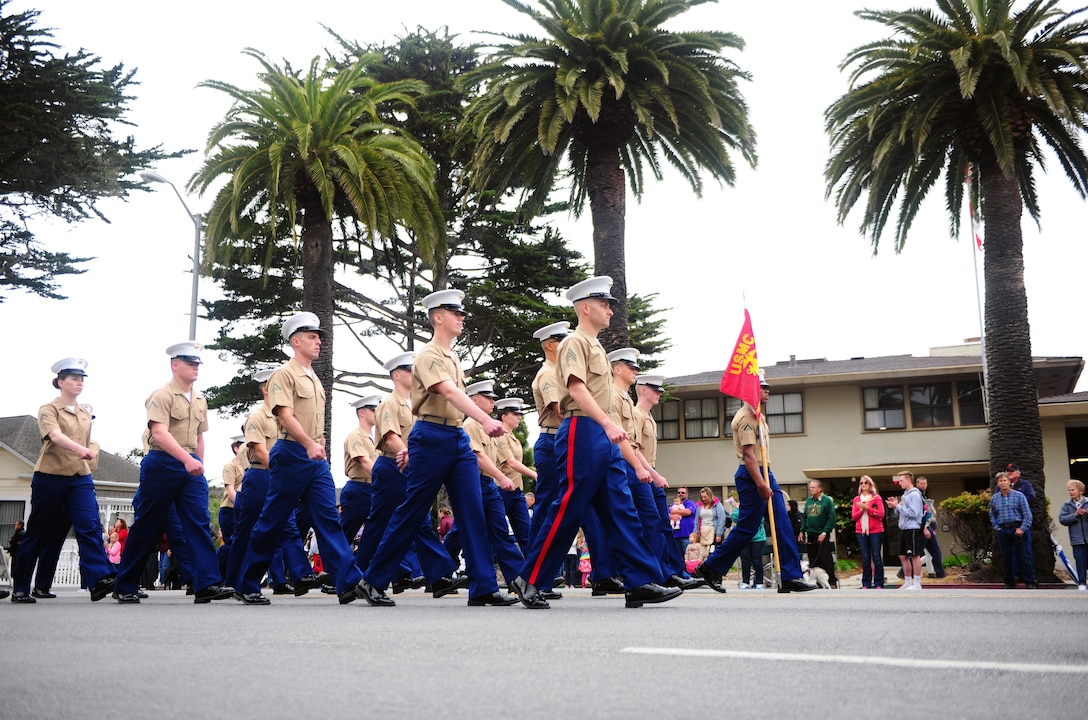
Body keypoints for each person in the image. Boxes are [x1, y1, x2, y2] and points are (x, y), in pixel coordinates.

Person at [508, 276, 681, 610]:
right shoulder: (574, 342)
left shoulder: (595, 345)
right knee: (569, 508)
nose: (610, 312)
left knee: (621, 506)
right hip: (582, 431)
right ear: (585, 308)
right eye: (604, 305)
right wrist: (606, 423)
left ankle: (640, 580)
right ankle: (529, 579)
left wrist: (610, 427)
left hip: (601, 433)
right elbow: (576, 390)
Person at [355, 290, 509, 607]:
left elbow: (453, 396)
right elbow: (447, 392)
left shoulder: (452, 358)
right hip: (433, 434)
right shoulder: (428, 355)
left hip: (455, 438)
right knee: (412, 512)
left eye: (461, 313)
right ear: (438, 317)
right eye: (455, 312)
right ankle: (372, 581)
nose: (461, 317)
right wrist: (484, 419)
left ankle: (482, 587)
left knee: (472, 511)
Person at [237, 312, 364, 605]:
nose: (318, 341)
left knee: (329, 519)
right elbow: (284, 414)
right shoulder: (284, 375)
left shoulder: (313, 377)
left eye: (318, 336)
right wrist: (308, 443)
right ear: (296, 341)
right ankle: (247, 582)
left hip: (313, 458)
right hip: (292, 453)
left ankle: (348, 581)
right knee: (272, 520)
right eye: (311, 336)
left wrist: (316, 445)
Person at [113, 344, 234, 604]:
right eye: (190, 363)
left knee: (199, 523)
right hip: (163, 463)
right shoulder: (162, 395)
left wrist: (198, 464)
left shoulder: (200, 399)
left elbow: (199, 436)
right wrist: (186, 459)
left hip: (189, 465)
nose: (196, 367)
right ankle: (124, 584)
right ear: (175, 365)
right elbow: (159, 433)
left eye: (198, 363)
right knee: (148, 525)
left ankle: (206, 583)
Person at [352, 350, 465, 602]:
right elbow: (391, 436)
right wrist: (406, 453)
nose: (415, 374)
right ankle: (356, 576)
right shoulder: (389, 404)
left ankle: (439, 577)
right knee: (379, 525)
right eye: (409, 371)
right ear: (396, 375)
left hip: (410, 467)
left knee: (420, 521)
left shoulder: (414, 405)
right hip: (392, 466)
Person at [695, 371, 816, 594]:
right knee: (748, 528)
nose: (767, 390)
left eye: (767, 386)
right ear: (749, 390)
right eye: (762, 387)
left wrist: (765, 479)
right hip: (753, 475)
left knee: (782, 523)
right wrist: (761, 484)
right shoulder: (747, 417)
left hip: (765, 472)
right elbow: (749, 455)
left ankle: (789, 576)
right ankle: (711, 567)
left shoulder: (757, 415)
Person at [11, 358, 115, 604]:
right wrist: (80, 450)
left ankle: (100, 579)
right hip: (50, 477)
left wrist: (87, 455)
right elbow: (54, 436)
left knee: (90, 525)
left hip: (79, 478)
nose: (79, 383)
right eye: (73, 379)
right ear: (60, 382)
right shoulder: (48, 409)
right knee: (37, 532)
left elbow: (89, 442)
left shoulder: (85, 413)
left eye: (81, 379)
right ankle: (22, 587)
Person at [226, 368, 315, 595]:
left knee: (288, 526)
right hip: (261, 476)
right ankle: (233, 581)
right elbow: (259, 448)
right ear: (266, 389)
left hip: (281, 475)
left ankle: (301, 574)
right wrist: (278, 472)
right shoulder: (256, 418)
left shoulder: (287, 417)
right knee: (246, 530)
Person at [456, 384, 523, 606]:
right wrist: (502, 478)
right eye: (487, 397)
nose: (492, 401)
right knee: (477, 536)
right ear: (474, 400)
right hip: (475, 482)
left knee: (500, 532)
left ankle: (519, 580)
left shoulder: (489, 426)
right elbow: (478, 456)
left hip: (489, 484)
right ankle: (481, 588)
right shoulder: (471, 424)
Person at [339, 394, 381, 569]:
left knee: (375, 532)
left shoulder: (375, 438)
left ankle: (359, 569)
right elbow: (363, 461)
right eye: (373, 410)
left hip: (373, 487)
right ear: (362, 413)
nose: (376, 413)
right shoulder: (355, 436)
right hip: (359, 488)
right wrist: (384, 478)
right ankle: (335, 572)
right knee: (345, 533)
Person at [493, 397, 537, 555]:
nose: (519, 417)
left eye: (520, 414)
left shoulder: (514, 438)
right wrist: (534, 474)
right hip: (501, 489)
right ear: (503, 416)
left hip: (516, 490)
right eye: (514, 413)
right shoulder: (500, 435)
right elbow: (510, 462)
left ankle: (535, 573)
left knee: (527, 533)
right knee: (495, 531)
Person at [988, 470, 1036, 589]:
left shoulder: (1019, 495)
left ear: (1009, 482)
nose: (1003, 483)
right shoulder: (995, 498)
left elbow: (1027, 514)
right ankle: (1009, 582)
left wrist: (1022, 528)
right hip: (1004, 530)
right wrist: (997, 527)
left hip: (1018, 529)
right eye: (1000, 481)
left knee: (1024, 557)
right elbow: (992, 514)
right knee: (1007, 558)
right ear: (997, 483)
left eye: (1005, 480)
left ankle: (1030, 581)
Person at [886, 470, 927, 590]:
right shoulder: (905, 495)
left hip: (912, 528)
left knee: (914, 555)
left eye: (901, 480)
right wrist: (895, 506)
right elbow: (902, 513)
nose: (899, 483)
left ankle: (917, 583)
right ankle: (908, 581)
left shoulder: (914, 495)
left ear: (909, 480)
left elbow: (914, 513)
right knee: (903, 555)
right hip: (904, 528)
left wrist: (897, 506)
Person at [800, 480, 839, 588]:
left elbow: (831, 519)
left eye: (813, 487)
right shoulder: (809, 501)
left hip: (822, 534)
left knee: (825, 559)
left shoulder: (827, 501)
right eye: (810, 487)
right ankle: (818, 583)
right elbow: (805, 517)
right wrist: (802, 531)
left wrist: (824, 532)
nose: (811, 489)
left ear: (819, 489)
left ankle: (831, 581)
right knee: (813, 560)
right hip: (811, 534)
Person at [218, 436, 246, 578]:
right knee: (231, 543)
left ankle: (234, 576)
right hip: (230, 509)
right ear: (236, 448)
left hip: (243, 509)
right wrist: (241, 506)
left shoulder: (249, 465)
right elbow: (230, 490)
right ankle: (216, 574)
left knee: (241, 544)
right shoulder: (231, 466)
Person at [851, 475, 885, 589]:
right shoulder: (857, 499)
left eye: (866, 482)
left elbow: (881, 514)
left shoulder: (876, 498)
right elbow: (854, 517)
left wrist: (867, 508)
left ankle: (879, 582)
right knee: (865, 557)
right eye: (861, 483)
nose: (863, 485)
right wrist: (861, 509)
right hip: (861, 530)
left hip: (875, 530)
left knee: (876, 556)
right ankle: (866, 583)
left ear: (870, 484)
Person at [1058, 479, 1088, 590]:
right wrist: (1075, 515)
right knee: (1080, 561)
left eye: (1073, 490)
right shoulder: (1067, 505)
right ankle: (1082, 583)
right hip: (1077, 539)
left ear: (1080, 491)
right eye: (1069, 490)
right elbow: (1062, 519)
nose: (1071, 492)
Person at [732, 495, 766, 589]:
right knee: (745, 560)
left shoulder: (758, 506)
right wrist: (739, 508)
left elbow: (760, 519)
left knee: (757, 560)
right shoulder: (741, 508)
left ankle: (759, 582)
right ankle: (745, 582)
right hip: (744, 538)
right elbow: (734, 517)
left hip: (758, 537)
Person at [915, 476, 945, 578]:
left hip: (928, 526)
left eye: (925, 483)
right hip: (922, 528)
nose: (923, 485)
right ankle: (904, 571)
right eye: (921, 483)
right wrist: (924, 528)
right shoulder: (916, 496)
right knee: (917, 552)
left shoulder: (923, 496)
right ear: (917, 484)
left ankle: (940, 573)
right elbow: (919, 515)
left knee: (935, 551)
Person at [695, 487, 727, 554]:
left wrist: (719, 534)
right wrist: (695, 532)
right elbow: (696, 520)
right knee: (702, 553)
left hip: (713, 531)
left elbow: (721, 519)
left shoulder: (717, 505)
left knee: (712, 552)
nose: (703, 499)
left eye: (705, 497)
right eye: (702, 497)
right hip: (702, 532)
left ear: (709, 495)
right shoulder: (699, 505)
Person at [672, 487, 697, 557]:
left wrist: (673, 511)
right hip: (675, 535)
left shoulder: (690, 503)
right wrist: (672, 515)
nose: (680, 494)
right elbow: (667, 515)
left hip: (687, 536)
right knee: (678, 558)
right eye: (679, 492)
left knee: (689, 557)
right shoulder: (673, 505)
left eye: (683, 493)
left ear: (687, 494)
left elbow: (688, 512)